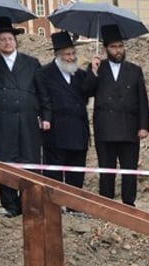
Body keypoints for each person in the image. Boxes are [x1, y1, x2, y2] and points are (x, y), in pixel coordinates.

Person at [0, 17, 46, 217]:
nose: (7, 43)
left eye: (10, 39)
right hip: (3, 120)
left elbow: (43, 92)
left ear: (15, 40)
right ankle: (10, 205)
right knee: (5, 159)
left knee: (29, 158)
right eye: (2, 40)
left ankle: (30, 201)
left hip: (27, 119)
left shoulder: (31, 63)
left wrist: (46, 116)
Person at [86, 24, 149, 207]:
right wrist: (93, 71)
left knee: (129, 168)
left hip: (129, 127)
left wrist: (143, 125)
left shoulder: (134, 70)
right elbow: (86, 91)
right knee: (107, 168)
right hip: (105, 128)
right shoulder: (98, 68)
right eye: (114, 47)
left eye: (120, 46)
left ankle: (129, 203)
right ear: (106, 49)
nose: (118, 50)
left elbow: (142, 99)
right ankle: (106, 203)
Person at [37, 31, 96, 189]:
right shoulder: (44, 73)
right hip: (56, 132)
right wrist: (45, 118)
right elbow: (43, 99)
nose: (71, 57)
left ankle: (73, 206)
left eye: (73, 53)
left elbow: (88, 92)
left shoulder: (81, 74)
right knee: (54, 174)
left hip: (78, 131)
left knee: (76, 172)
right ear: (57, 55)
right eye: (67, 54)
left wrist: (94, 72)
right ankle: (53, 205)